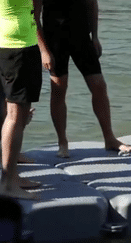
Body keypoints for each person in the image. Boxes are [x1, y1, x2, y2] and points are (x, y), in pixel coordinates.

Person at [41, 0, 131, 158]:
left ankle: (109, 138)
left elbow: (92, 4)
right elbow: (34, 17)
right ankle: (62, 143)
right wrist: (43, 50)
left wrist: (95, 36)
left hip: (81, 36)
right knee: (59, 88)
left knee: (99, 85)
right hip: (55, 39)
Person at [0, 0, 53, 199]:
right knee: (15, 115)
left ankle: (13, 176)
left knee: (17, 114)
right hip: (16, 46)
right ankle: (7, 183)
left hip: (16, 42)